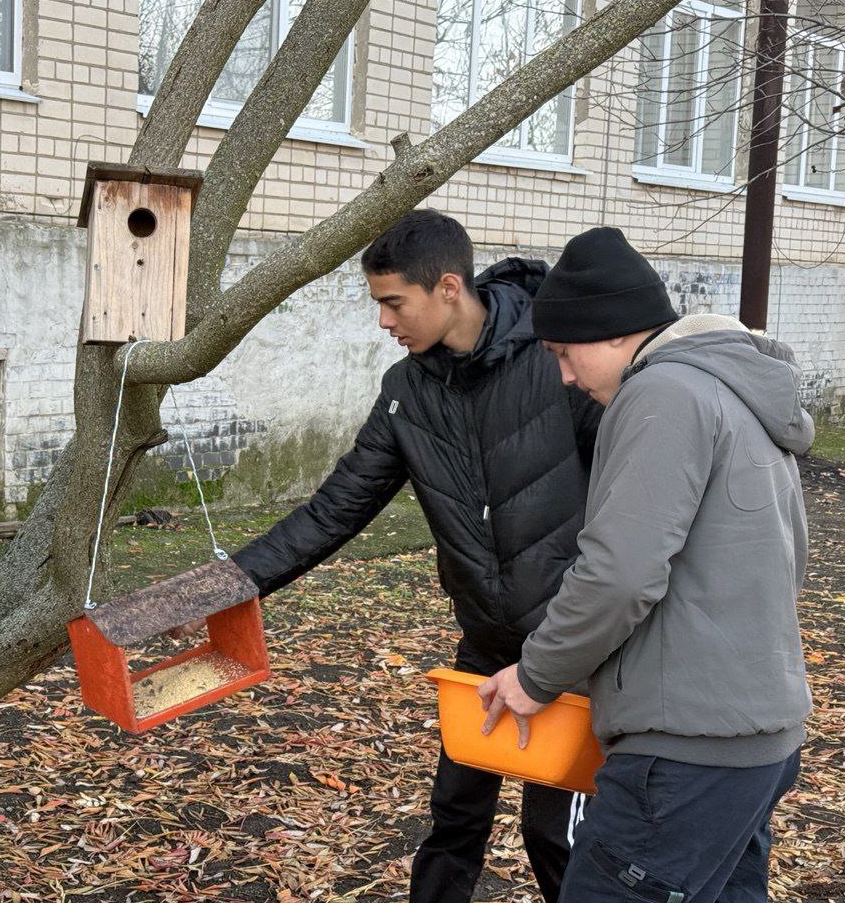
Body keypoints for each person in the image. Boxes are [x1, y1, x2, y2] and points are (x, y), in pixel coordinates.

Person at [173, 209, 602, 902]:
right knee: (454, 819)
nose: (383, 322)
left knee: (556, 835)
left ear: (449, 288)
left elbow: (631, 497)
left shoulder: (559, 366)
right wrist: (220, 588)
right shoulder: (407, 394)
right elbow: (334, 510)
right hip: (486, 644)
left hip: (576, 646)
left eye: (392, 302)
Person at [480, 227, 813, 902]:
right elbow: (789, 559)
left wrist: (538, 675)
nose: (565, 376)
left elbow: (619, 573)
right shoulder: (736, 396)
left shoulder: (661, 394)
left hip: (684, 754)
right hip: (755, 742)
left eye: (564, 352)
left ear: (611, 332)